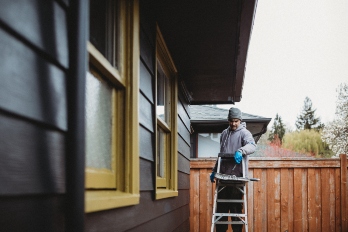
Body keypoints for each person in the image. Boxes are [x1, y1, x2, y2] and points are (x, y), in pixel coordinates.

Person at [210, 107, 256, 232]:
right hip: (223, 178)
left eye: (236, 121)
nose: (233, 123)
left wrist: (241, 151)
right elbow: (221, 154)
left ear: (240, 120)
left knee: (236, 213)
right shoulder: (224, 134)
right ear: (228, 120)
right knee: (221, 213)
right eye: (231, 121)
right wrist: (215, 171)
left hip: (237, 178)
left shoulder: (244, 133)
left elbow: (252, 146)